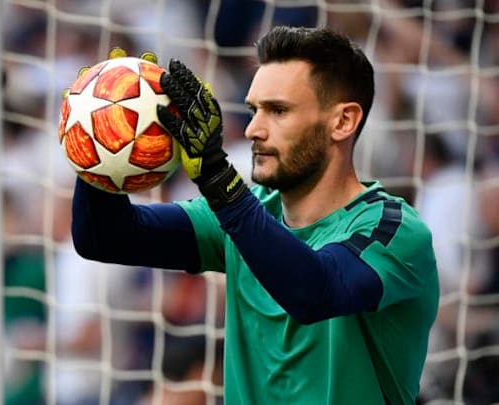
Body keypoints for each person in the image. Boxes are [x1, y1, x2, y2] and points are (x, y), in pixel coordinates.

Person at [70, 26, 439, 404]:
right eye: (253, 110)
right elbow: (105, 236)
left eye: (278, 111)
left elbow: (316, 292)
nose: (252, 130)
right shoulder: (248, 215)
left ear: (342, 122)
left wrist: (220, 182)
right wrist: (100, 141)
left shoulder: (395, 228)